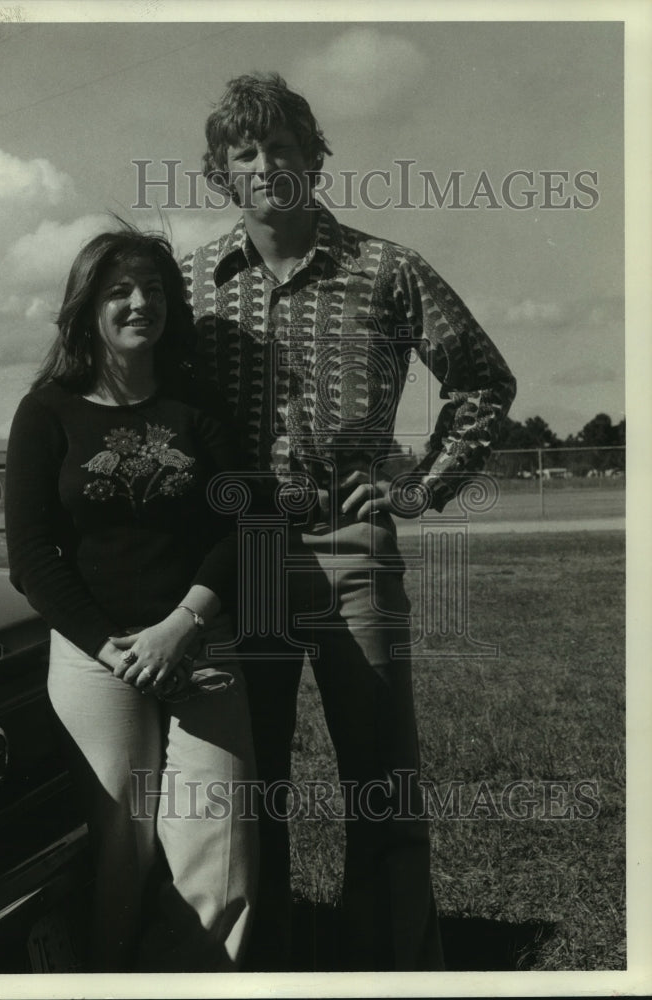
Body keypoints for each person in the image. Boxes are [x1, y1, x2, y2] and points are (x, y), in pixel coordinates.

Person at [180, 72, 517, 971]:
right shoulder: (190, 283)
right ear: (221, 172)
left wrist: (420, 485)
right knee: (254, 784)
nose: (266, 165)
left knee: (382, 779)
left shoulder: (386, 269)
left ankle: (400, 970)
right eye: (244, 152)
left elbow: (483, 378)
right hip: (242, 552)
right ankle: (267, 969)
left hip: (350, 543)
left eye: (282, 146)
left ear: (313, 157)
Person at [4, 224, 257, 972]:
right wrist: (113, 647)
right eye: (118, 291)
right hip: (95, 660)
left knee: (221, 856)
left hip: (200, 645)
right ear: (86, 309)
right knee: (121, 848)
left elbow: (250, 521)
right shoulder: (46, 412)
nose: (138, 302)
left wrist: (183, 625)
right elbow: (31, 556)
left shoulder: (197, 404)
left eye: (151, 289)